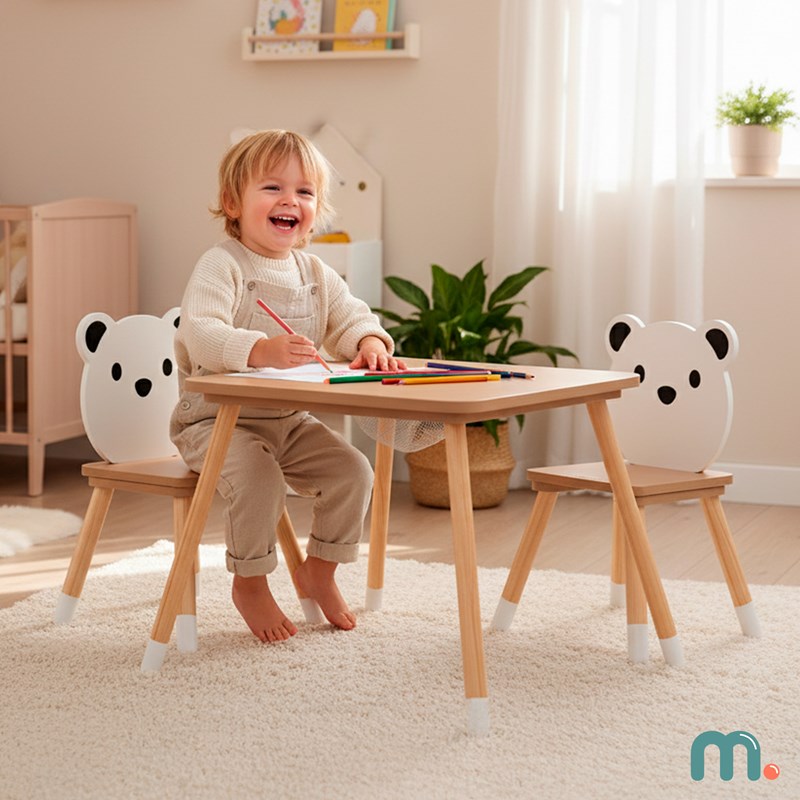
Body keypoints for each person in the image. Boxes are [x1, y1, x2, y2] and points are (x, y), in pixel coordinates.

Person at [171, 129, 404, 643]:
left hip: (288, 421)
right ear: (233, 202)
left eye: (304, 192)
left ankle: (318, 570)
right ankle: (250, 582)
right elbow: (202, 333)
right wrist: (259, 349)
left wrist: (368, 341)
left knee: (353, 471)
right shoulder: (221, 264)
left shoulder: (316, 272)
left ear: (315, 209)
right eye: (273, 188)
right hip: (214, 422)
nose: (289, 201)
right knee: (259, 479)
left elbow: (349, 318)